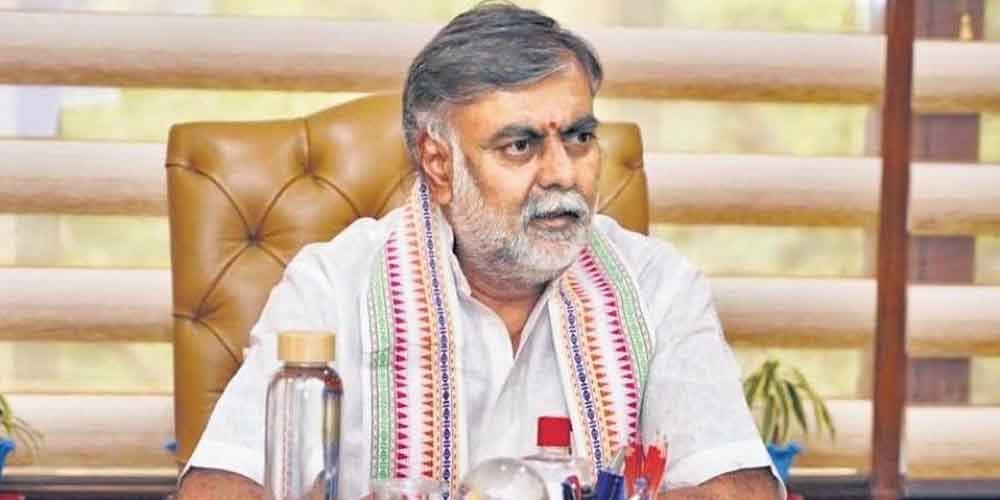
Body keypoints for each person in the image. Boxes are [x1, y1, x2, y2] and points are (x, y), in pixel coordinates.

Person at [177, 3, 782, 499]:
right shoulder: (333, 285)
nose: (562, 174)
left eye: (579, 137)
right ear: (439, 165)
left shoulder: (658, 284)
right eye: (520, 146)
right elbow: (218, 489)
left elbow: (738, 489)